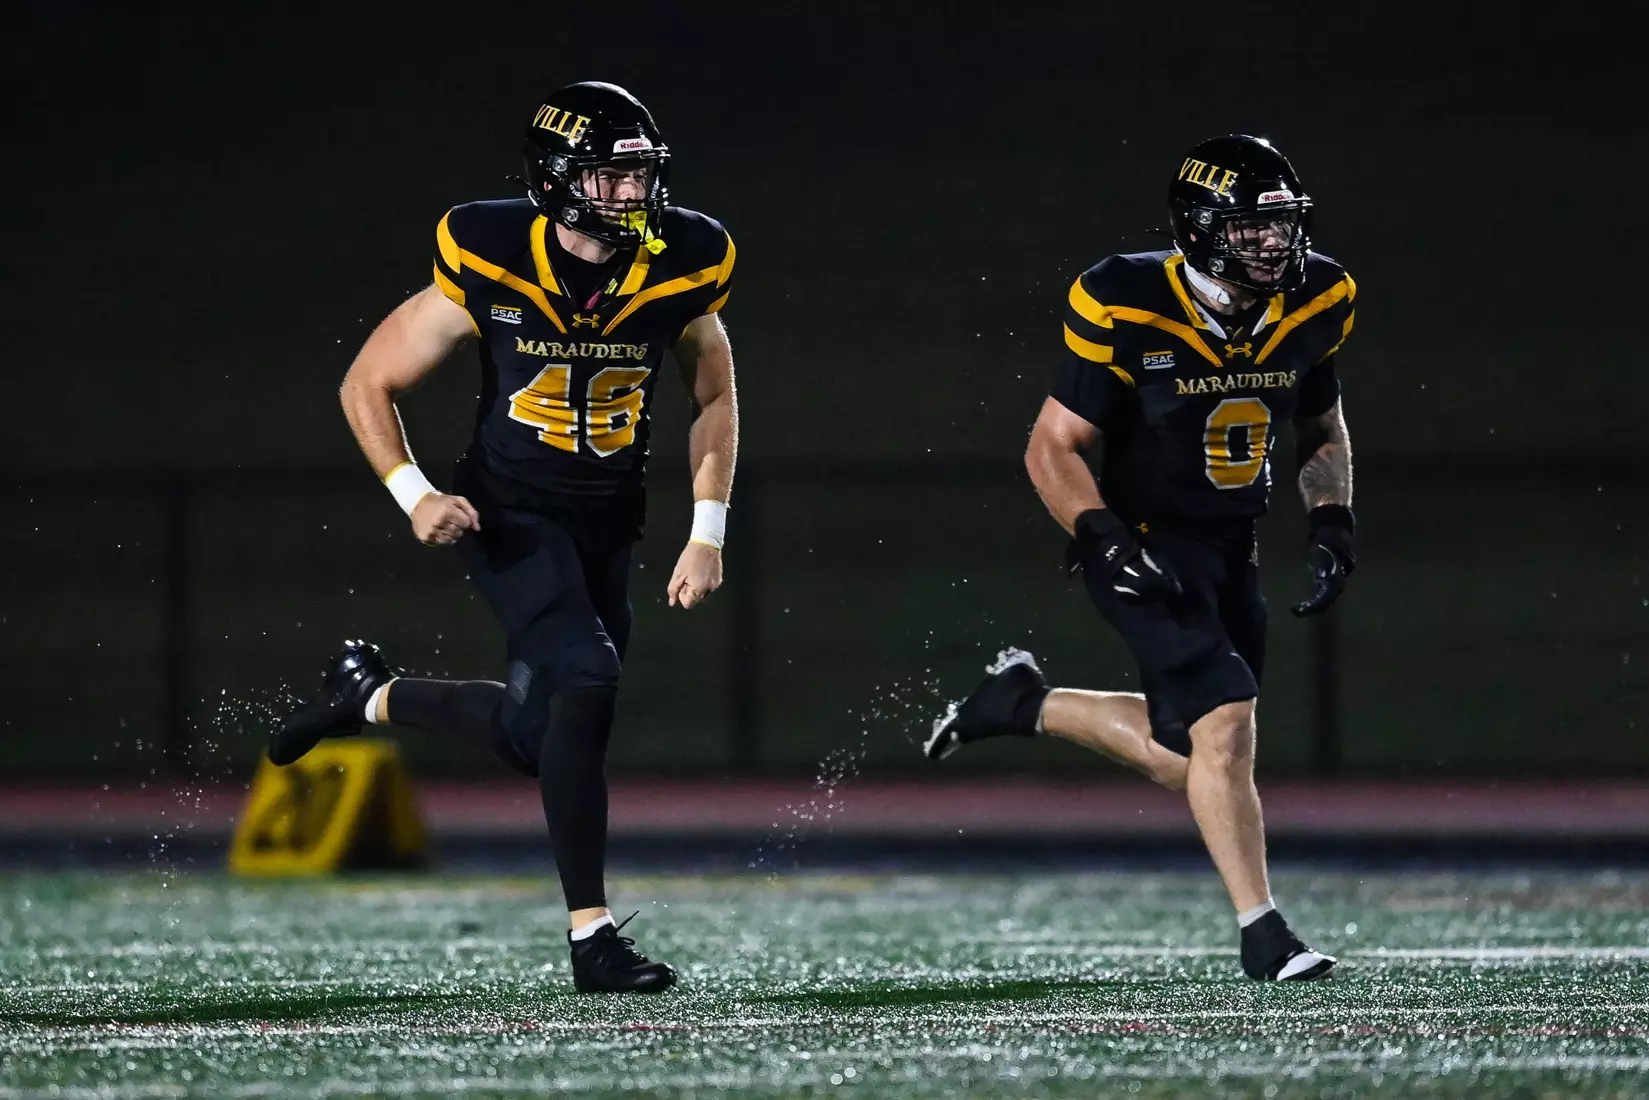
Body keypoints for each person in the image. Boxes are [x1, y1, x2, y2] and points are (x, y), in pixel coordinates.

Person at [269, 81, 739, 994]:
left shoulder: (687, 259)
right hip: (511, 513)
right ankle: (592, 937)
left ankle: (367, 696)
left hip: (608, 516)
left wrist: (706, 529)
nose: (634, 196)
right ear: (560, 181)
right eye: (612, 178)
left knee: (543, 734)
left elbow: (714, 393)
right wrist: (413, 492)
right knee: (589, 675)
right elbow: (367, 382)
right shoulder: (490, 253)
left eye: (641, 176)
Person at [926, 134, 1355, 982]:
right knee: (1226, 725)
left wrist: (1333, 519)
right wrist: (1101, 536)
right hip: (1142, 540)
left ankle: (1024, 704)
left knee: (1196, 756)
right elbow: (1052, 446)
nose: (1274, 244)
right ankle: (1264, 934)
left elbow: (1319, 424)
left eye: (1281, 226)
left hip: (1230, 539)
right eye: (1249, 229)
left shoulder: (1319, 294)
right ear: (1198, 230)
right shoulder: (1123, 297)